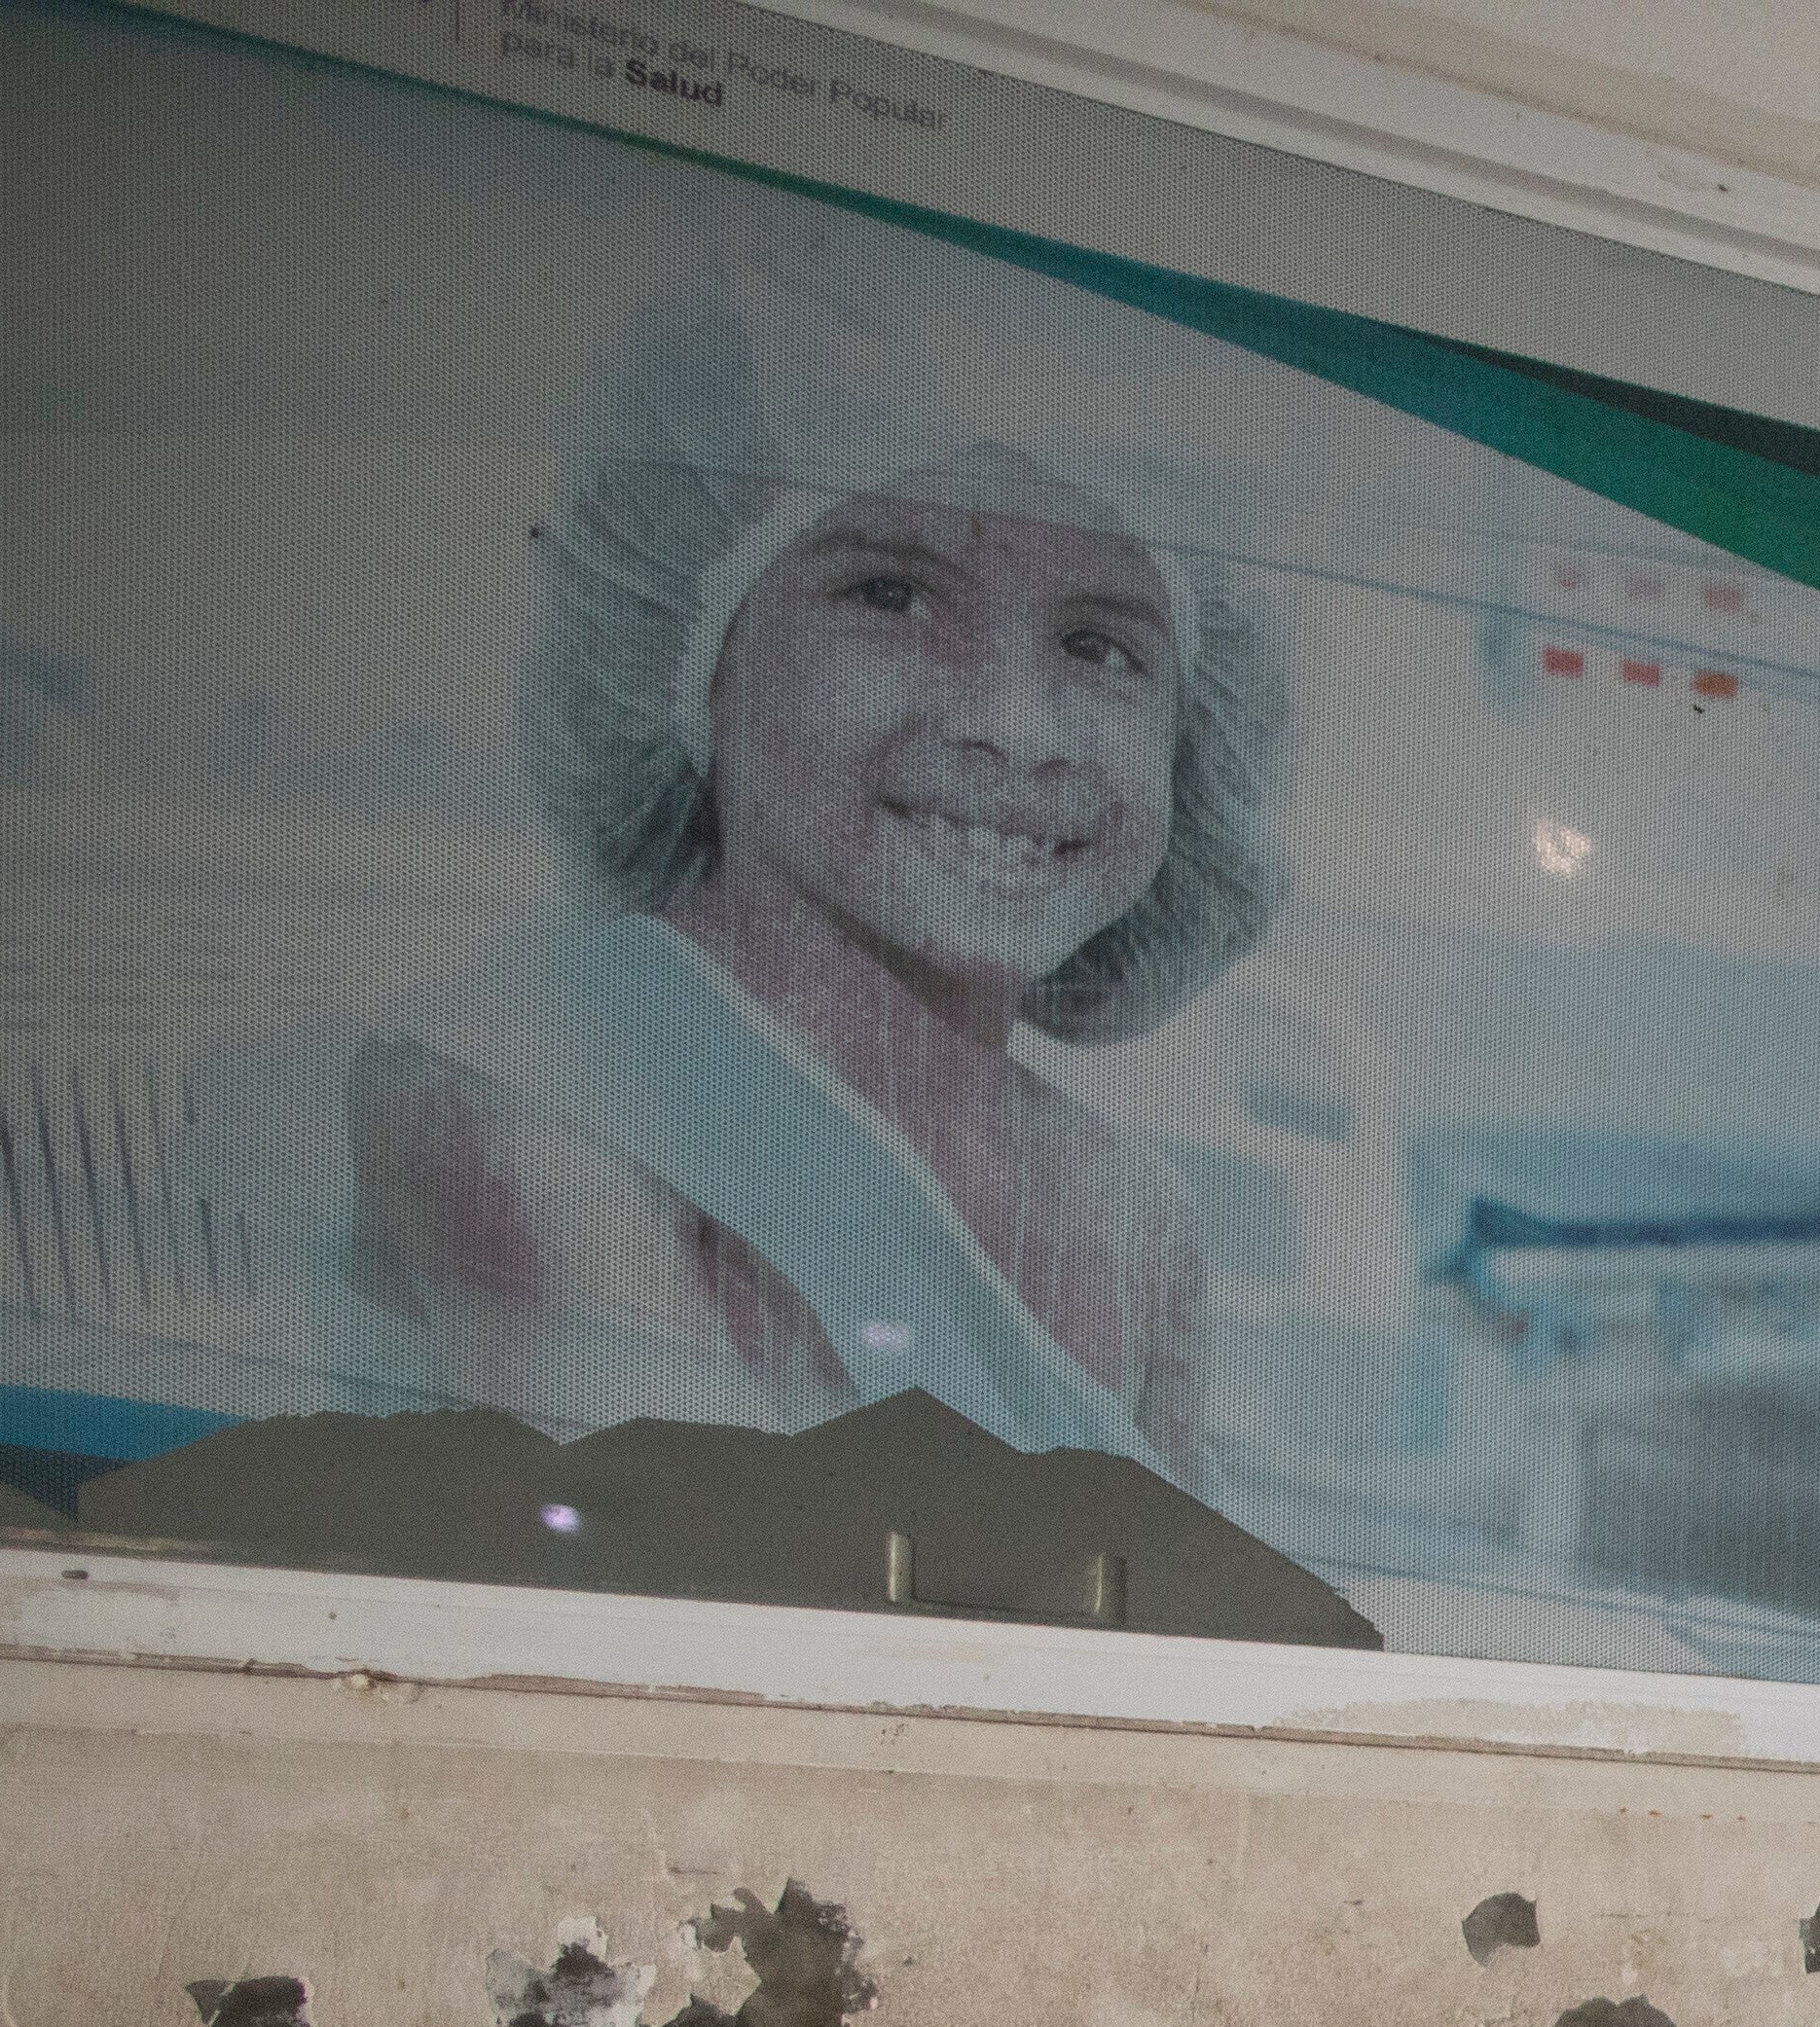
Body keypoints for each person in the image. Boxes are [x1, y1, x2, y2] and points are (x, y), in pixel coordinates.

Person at [349, 243, 1286, 1468]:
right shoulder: (518, 1090)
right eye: (893, 595)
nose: (1011, 726)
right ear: (698, 658)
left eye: (1101, 645)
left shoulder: (1132, 1216)